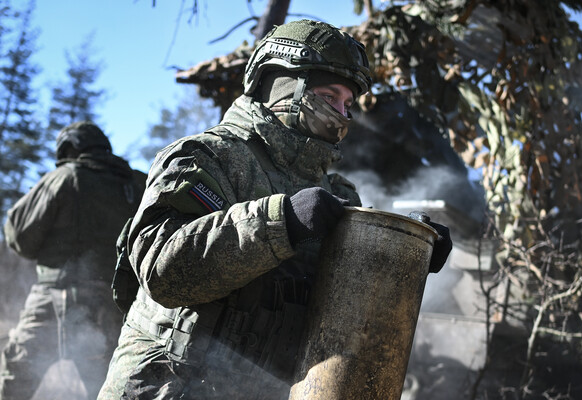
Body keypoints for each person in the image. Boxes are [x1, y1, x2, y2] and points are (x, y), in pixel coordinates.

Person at [98, 19, 452, 400]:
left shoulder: (336, 191)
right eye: (329, 96)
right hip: (170, 386)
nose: (341, 114)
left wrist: (405, 253)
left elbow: (345, 309)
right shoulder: (204, 157)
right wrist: (280, 221)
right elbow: (164, 272)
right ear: (280, 83)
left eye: (348, 104)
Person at [0, 121, 146, 400]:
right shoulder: (138, 183)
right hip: (114, 303)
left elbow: (19, 237)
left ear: (70, 148)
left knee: (16, 375)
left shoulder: (63, 177)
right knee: (110, 385)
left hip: (54, 296)